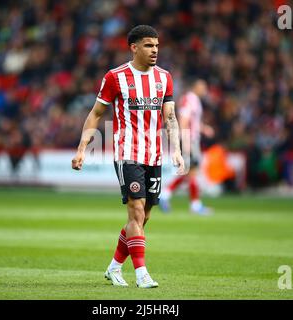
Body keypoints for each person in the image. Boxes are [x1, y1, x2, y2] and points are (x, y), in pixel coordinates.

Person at [71, 25, 185, 288]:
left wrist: (177, 149)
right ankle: (142, 274)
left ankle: (114, 268)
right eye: (148, 45)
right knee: (135, 211)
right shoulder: (115, 77)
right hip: (127, 152)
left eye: (156, 45)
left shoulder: (164, 77)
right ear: (134, 47)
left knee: (143, 218)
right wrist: (81, 149)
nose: (154, 50)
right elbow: (96, 114)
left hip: (154, 154)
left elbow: (170, 116)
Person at [159, 79, 214, 215]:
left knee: (189, 172)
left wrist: (203, 128)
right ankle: (194, 205)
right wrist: (186, 141)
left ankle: (166, 195)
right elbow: (183, 120)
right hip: (189, 139)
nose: (205, 90)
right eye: (203, 87)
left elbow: (192, 121)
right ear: (196, 87)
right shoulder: (189, 99)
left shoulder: (194, 100)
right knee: (192, 171)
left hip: (192, 138)